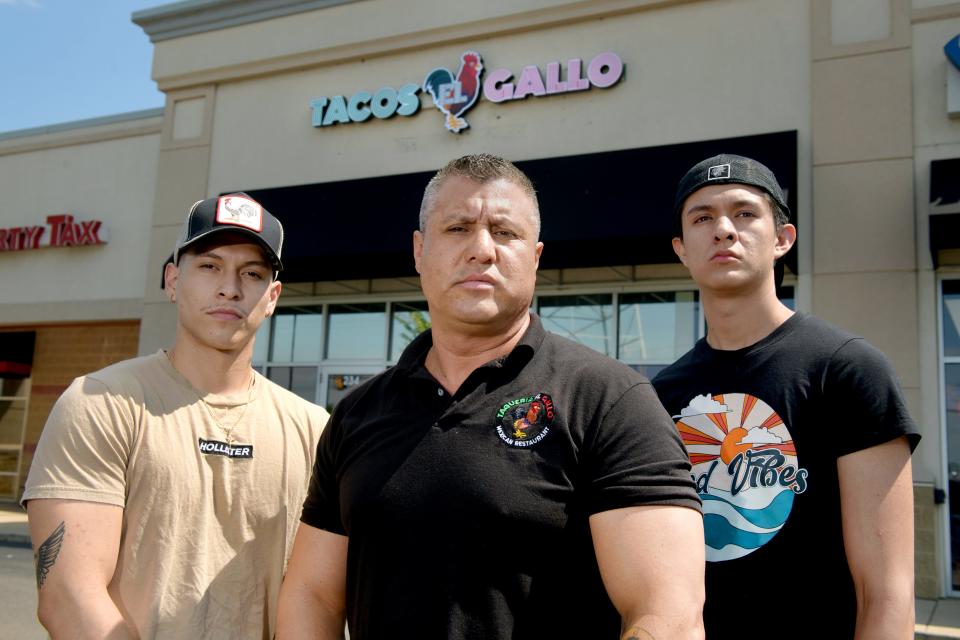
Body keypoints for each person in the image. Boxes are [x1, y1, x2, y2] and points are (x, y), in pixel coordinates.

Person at [276, 154, 705, 640]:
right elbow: (312, 593)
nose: (482, 249)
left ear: (536, 257)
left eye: (505, 232)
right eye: (458, 228)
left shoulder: (609, 399)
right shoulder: (357, 413)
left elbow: (667, 616)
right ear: (419, 251)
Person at [23, 193, 328, 639]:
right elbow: (69, 595)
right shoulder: (102, 402)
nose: (230, 287)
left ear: (272, 297)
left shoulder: (314, 429)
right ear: (172, 280)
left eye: (253, 273)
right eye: (209, 266)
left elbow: (315, 599)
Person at [651, 154, 920, 639]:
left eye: (745, 213)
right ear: (681, 249)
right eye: (703, 217)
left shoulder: (847, 368)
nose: (724, 230)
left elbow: (887, 592)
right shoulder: (660, 395)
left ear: (782, 239)